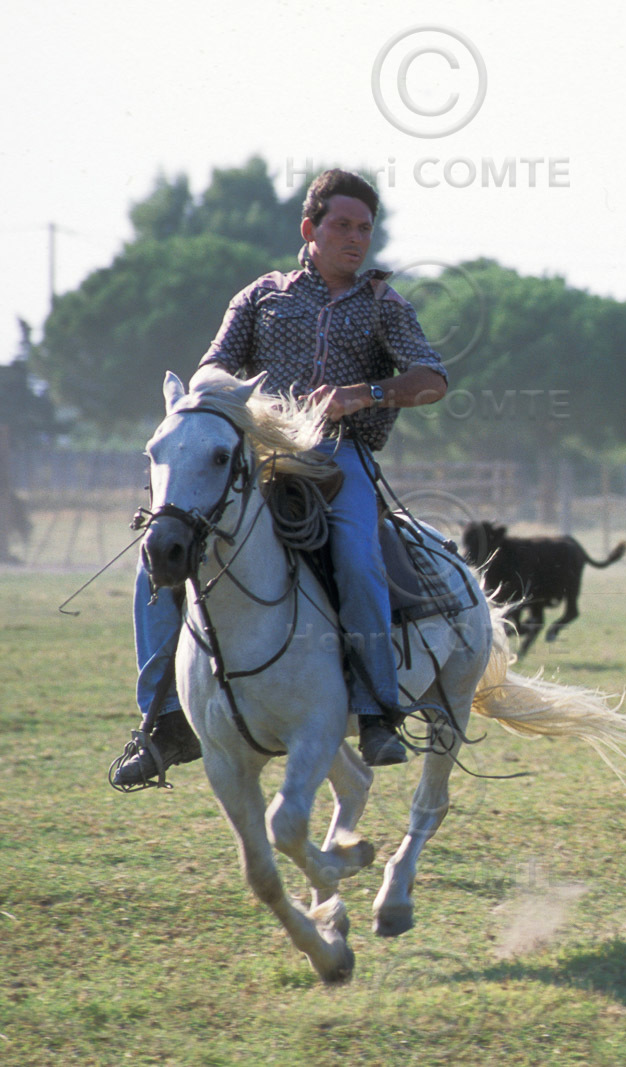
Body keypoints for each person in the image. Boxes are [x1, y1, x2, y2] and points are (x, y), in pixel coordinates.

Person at [112, 169, 449, 787]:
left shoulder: (384, 304)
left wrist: (361, 394)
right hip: (253, 456)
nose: (355, 239)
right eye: (342, 226)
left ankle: (376, 708)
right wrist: (219, 398)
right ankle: (162, 722)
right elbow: (213, 366)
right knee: (157, 555)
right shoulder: (261, 296)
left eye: (364, 229)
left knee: (357, 555)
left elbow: (431, 380)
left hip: (337, 457)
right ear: (309, 230)